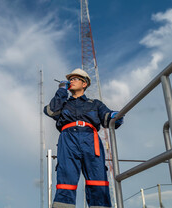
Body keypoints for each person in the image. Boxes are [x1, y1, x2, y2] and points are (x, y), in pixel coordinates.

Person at [44, 68, 123, 208]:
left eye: (75, 79)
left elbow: (108, 118)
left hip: (90, 140)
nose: (71, 81)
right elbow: (51, 111)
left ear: (84, 83)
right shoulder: (63, 103)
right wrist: (62, 90)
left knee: (97, 177)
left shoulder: (95, 103)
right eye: (70, 79)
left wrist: (115, 116)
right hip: (68, 139)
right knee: (66, 176)